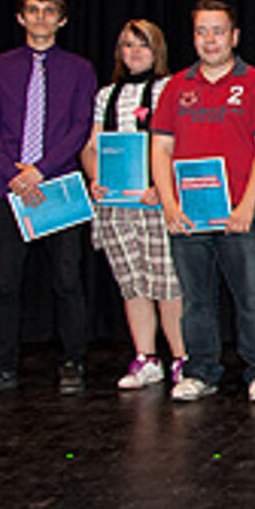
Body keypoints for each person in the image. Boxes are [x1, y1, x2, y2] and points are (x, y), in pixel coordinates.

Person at [150, 0, 255, 403]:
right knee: (195, 299)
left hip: (247, 213)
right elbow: (159, 149)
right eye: (202, 32)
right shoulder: (176, 87)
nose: (210, 40)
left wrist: (245, 205)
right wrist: (170, 206)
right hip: (189, 213)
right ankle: (201, 371)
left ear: (235, 36)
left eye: (218, 31)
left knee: (253, 299)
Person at [0, 0, 96, 398]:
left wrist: (41, 170)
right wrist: (14, 174)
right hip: (8, 190)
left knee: (67, 280)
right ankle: (4, 366)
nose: (41, 17)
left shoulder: (79, 69)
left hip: (59, 187)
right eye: (33, 10)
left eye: (49, 11)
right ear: (21, 18)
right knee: (6, 283)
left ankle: (73, 362)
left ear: (62, 20)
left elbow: (81, 126)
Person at [79, 20, 186, 391]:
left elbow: (180, 145)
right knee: (132, 283)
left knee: (168, 283)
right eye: (127, 45)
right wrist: (96, 179)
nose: (135, 52)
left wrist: (163, 184)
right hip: (117, 206)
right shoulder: (106, 95)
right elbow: (92, 147)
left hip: (157, 203)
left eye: (143, 45)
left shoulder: (170, 89)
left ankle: (181, 358)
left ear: (157, 50)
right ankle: (146, 357)